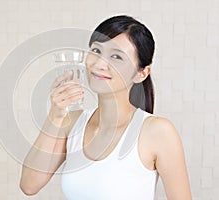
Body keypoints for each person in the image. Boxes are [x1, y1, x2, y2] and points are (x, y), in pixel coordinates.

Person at [20, 15, 192, 200]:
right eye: (96, 50)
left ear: (141, 73)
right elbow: (29, 185)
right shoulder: (73, 122)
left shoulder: (157, 131)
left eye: (116, 56)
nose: (99, 64)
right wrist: (55, 115)